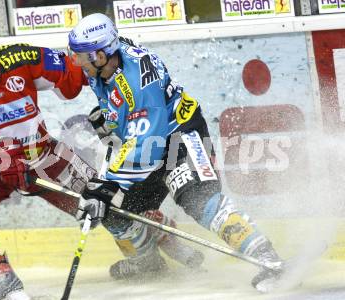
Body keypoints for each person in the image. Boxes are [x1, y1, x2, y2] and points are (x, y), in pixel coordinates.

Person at [0, 14, 204, 299]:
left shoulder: (20, 58)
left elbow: (79, 71)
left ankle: (162, 240)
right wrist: (2, 157)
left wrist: (125, 86)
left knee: (106, 201)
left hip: (43, 158)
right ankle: (2, 278)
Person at [68, 13, 285, 292]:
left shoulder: (136, 81)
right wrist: (111, 123)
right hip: (146, 141)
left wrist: (106, 184)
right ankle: (148, 266)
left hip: (178, 136)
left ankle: (269, 259)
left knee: (199, 200)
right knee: (112, 210)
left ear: (100, 55)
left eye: (81, 57)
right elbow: (131, 125)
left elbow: (148, 143)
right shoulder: (108, 62)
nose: (77, 62)